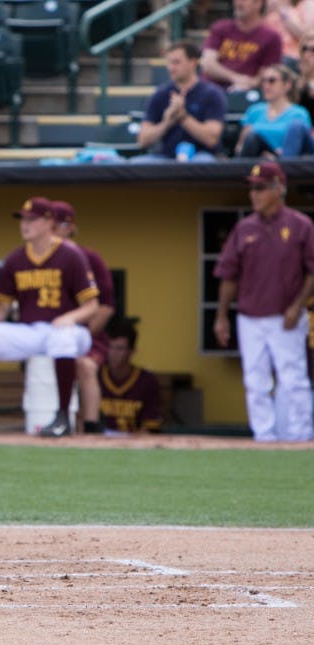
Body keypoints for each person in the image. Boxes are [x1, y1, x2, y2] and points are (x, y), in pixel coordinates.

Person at [0, 196, 100, 438]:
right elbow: (2, 308)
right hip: (31, 331)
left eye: (32, 219)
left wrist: (70, 318)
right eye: (23, 219)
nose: (25, 224)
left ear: (49, 222)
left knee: (61, 336)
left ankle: (63, 417)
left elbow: (92, 306)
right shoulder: (15, 259)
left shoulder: (71, 255)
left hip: (72, 333)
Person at [213, 161, 314, 442]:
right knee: (255, 380)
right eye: (252, 188)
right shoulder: (244, 228)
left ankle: (299, 436)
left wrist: (298, 305)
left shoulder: (300, 225)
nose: (254, 194)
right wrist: (221, 316)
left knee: (292, 379)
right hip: (250, 317)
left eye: (260, 188)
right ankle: (264, 437)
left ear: (279, 189)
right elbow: (228, 275)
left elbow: (312, 271)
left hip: (286, 315)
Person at [52, 201, 115, 433]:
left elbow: (106, 307)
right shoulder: (34, 258)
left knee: (84, 365)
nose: (53, 230)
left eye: (58, 225)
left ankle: (90, 426)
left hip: (87, 332)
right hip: (49, 332)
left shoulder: (88, 257)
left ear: (70, 227)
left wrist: (83, 337)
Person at [134, 41, 227, 162]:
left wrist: (183, 117)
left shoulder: (212, 94)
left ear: (193, 62)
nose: (171, 68)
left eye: (176, 62)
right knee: (139, 163)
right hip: (166, 156)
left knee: (203, 161)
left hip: (201, 155)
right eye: (169, 63)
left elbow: (211, 139)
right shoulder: (160, 94)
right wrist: (167, 121)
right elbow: (142, 140)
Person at [98, 319, 163, 435]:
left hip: (133, 441)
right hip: (97, 441)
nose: (113, 353)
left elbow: (151, 428)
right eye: (110, 347)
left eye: (119, 348)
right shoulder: (95, 376)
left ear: (132, 351)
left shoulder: (146, 381)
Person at [201, 0, 283, 91]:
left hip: (247, 91)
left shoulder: (271, 36)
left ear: (258, 3)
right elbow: (208, 64)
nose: (238, 3)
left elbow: (267, 73)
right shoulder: (220, 28)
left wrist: (248, 84)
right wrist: (234, 78)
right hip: (211, 89)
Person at [235, 64, 314, 157]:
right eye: (263, 81)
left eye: (272, 81)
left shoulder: (299, 113)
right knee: (252, 138)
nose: (266, 85)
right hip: (257, 160)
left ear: (287, 85)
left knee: (296, 126)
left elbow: (304, 146)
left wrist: (277, 155)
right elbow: (240, 147)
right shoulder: (254, 110)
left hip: (287, 159)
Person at [264, 0, 314, 66]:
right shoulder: (269, 16)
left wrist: (283, 12)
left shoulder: (293, 12)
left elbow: (304, 34)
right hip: (274, 54)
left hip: (289, 57)